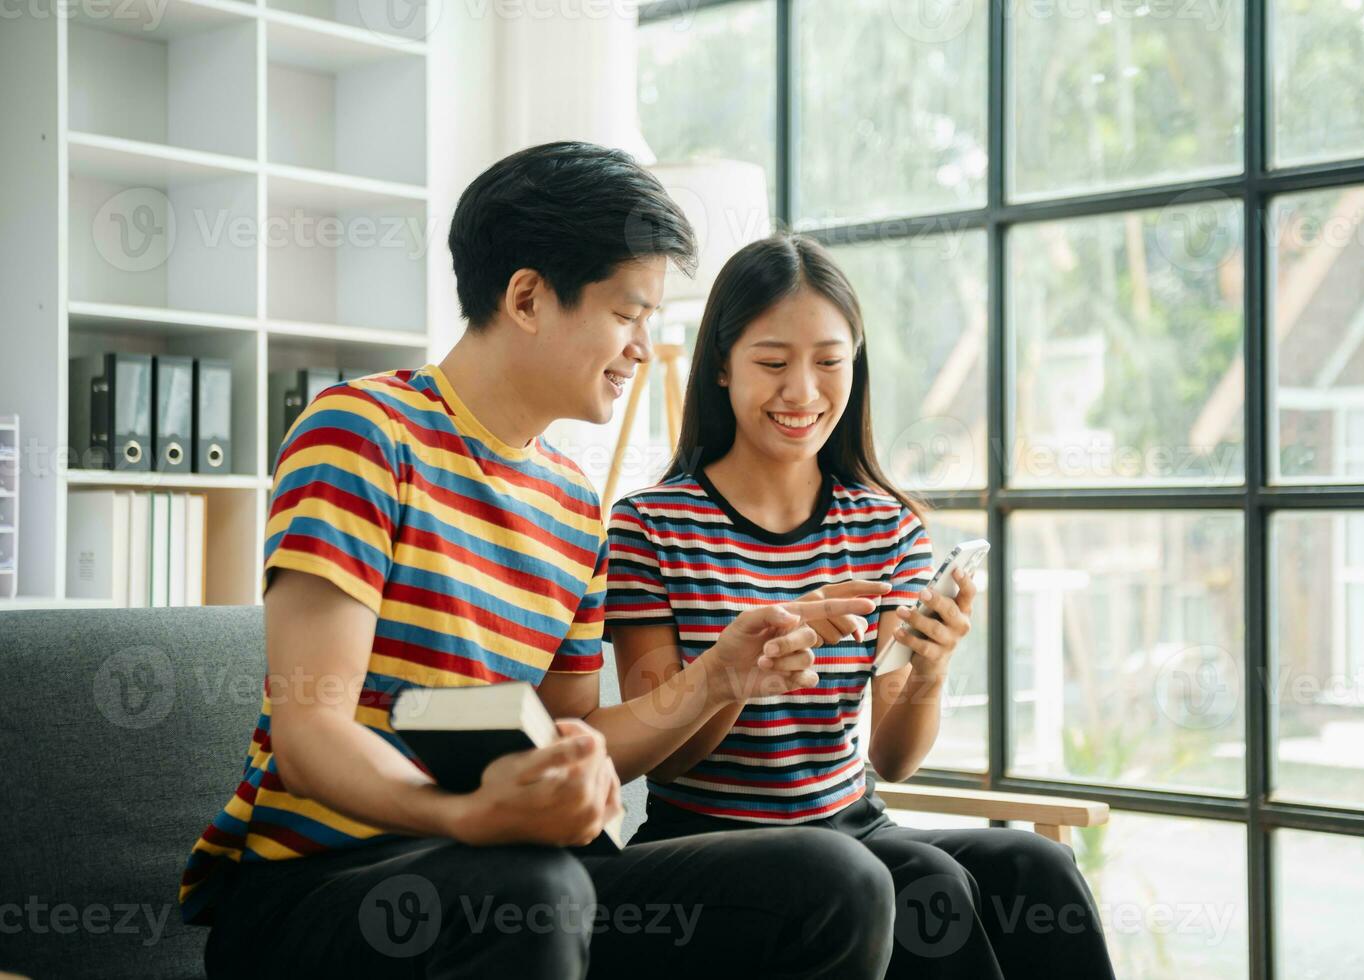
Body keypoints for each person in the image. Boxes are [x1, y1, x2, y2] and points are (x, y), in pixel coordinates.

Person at [180, 144, 897, 980]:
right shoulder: (362, 435)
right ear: (527, 297)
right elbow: (312, 733)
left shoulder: (572, 503)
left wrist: (720, 676)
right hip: (323, 892)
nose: (642, 349)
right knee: (535, 886)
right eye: (629, 315)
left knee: (833, 878)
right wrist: (469, 814)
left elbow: (576, 734)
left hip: (531, 877)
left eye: (654, 324)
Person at [605, 234, 1118, 979]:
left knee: (1034, 867)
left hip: (854, 826)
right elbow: (667, 757)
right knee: (930, 887)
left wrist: (931, 669)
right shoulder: (650, 527)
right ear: (720, 365)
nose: (804, 393)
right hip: (708, 843)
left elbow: (893, 760)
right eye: (773, 363)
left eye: (829, 362)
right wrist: (736, 673)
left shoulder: (886, 527)